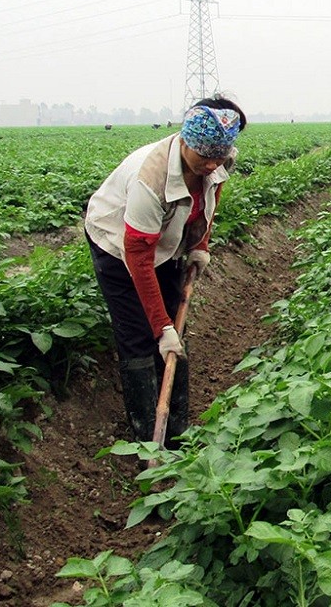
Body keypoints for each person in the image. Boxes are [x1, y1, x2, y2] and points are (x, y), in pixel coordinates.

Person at [84, 95, 246, 447]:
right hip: (117, 242)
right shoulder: (151, 179)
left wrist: (200, 244)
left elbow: (211, 193)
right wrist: (161, 327)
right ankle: (148, 436)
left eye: (218, 156)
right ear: (184, 141)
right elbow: (139, 258)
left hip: (166, 238)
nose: (211, 164)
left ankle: (177, 428)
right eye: (203, 156)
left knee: (175, 322)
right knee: (140, 334)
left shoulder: (218, 160)